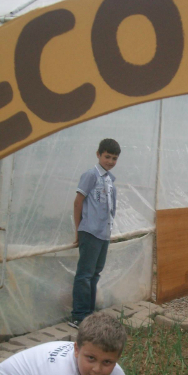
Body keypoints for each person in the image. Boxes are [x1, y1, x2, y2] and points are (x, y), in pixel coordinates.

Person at [71, 138, 120, 326]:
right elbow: (78, 202)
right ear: (98, 154)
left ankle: (89, 314)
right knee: (84, 274)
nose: (110, 161)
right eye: (107, 157)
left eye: (114, 158)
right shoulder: (91, 175)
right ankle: (79, 316)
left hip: (103, 234)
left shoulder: (109, 180)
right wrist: (78, 230)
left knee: (95, 273)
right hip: (90, 232)